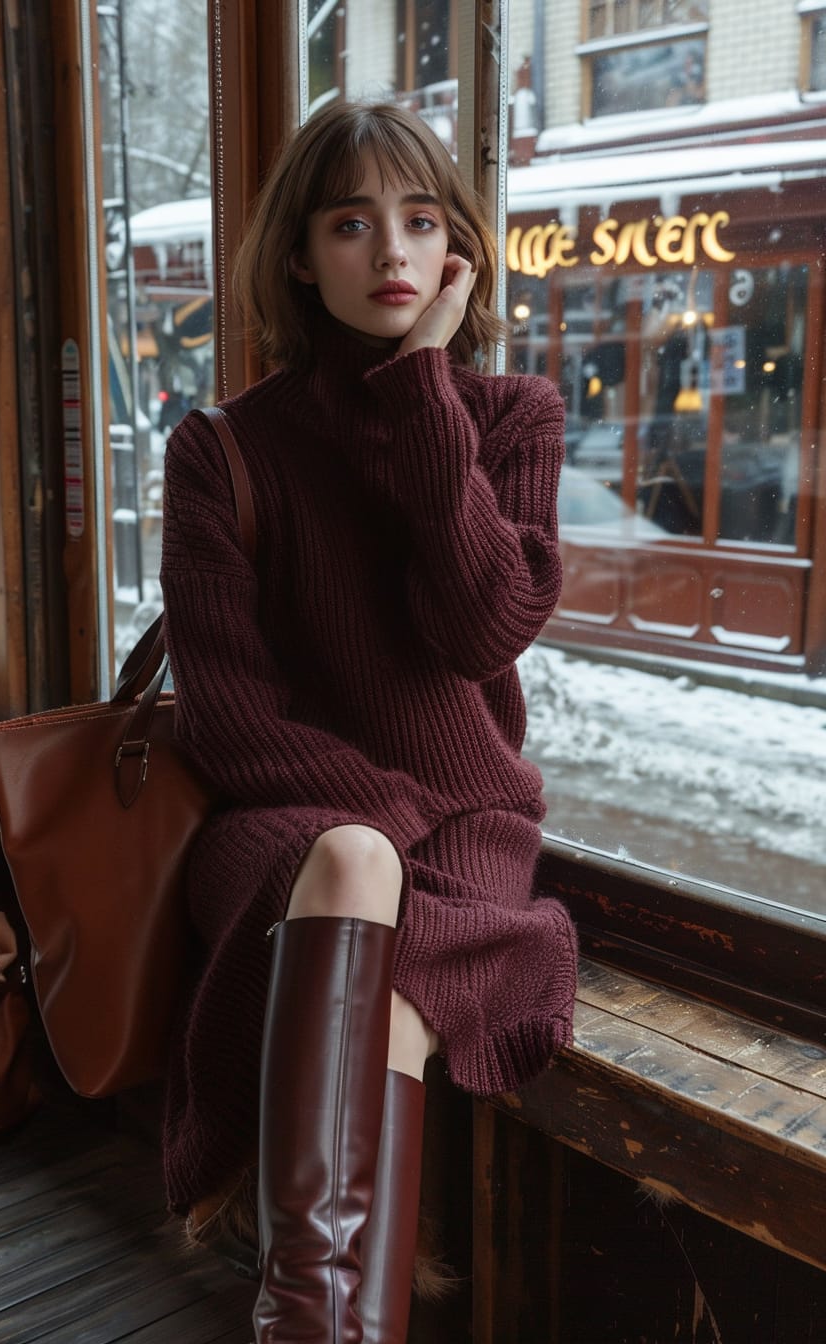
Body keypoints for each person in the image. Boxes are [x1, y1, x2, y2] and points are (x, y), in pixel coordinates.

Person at [159, 100, 578, 1343]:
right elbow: (230, 720)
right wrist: (384, 823)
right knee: (351, 858)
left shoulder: (509, 418)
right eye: (350, 224)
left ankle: (318, 1320)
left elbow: (482, 628)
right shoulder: (221, 450)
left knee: (381, 948)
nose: (389, 252)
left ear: (455, 249)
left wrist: (419, 394)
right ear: (300, 254)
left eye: (418, 219)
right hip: (289, 816)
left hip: (466, 824)